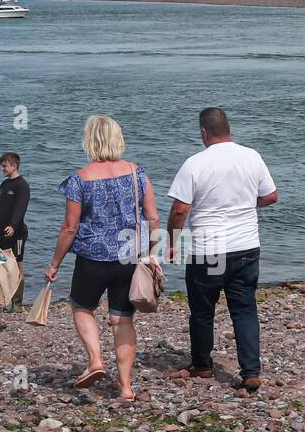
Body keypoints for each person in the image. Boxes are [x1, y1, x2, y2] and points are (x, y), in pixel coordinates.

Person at [44, 114, 160, 400]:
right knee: (122, 320)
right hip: (128, 258)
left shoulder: (79, 180)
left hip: (92, 259)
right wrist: (152, 254)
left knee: (82, 307)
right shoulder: (137, 173)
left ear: (90, 141)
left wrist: (54, 263)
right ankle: (126, 387)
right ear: (117, 139)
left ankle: (96, 360)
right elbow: (153, 218)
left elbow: (70, 227)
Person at [166, 108, 278, 392]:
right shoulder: (251, 156)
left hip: (209, 250)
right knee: (244, 309)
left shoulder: (195, 163)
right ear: (229, 128)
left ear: (204, 132)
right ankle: (251, 371)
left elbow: (180, 210)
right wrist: (243, 205)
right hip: (246, 247)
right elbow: (270, 196)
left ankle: (202, 365)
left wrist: (170, 242)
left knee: (203, 310)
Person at [0, 151, 30, 309]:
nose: (2, 168)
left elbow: (21, 208)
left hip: (17, 234)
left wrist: (13, 225)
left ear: (14, 166)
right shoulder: (4, 185)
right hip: (1, 234)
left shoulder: (22, 185)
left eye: (4, 165)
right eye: (2, 165)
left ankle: (17, 303)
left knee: (17, 265)